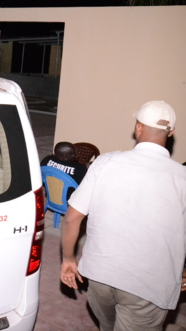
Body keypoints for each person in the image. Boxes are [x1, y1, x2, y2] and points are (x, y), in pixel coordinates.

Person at [60, 100, 186, 331]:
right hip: (148, 284)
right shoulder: (182, 178)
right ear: (172, 132)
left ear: (138, 127)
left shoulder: (104, 163)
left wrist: (68, 258)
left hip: (99, 275)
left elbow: (71, 218)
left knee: (107, 325)